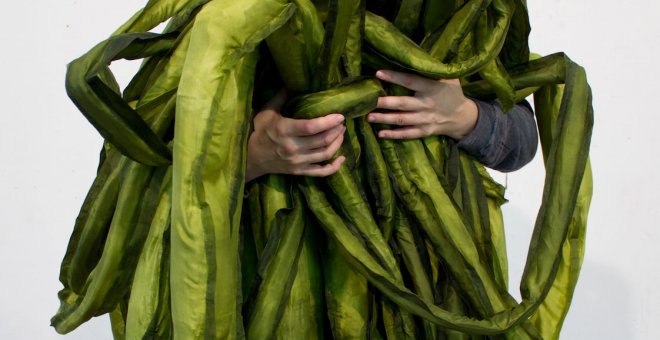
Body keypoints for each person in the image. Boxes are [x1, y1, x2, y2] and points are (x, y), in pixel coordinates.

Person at [245, 69, 538, 182]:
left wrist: (465, 117)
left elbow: (520, 143)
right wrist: (252, 158)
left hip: (432, 267)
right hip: (282, 242)